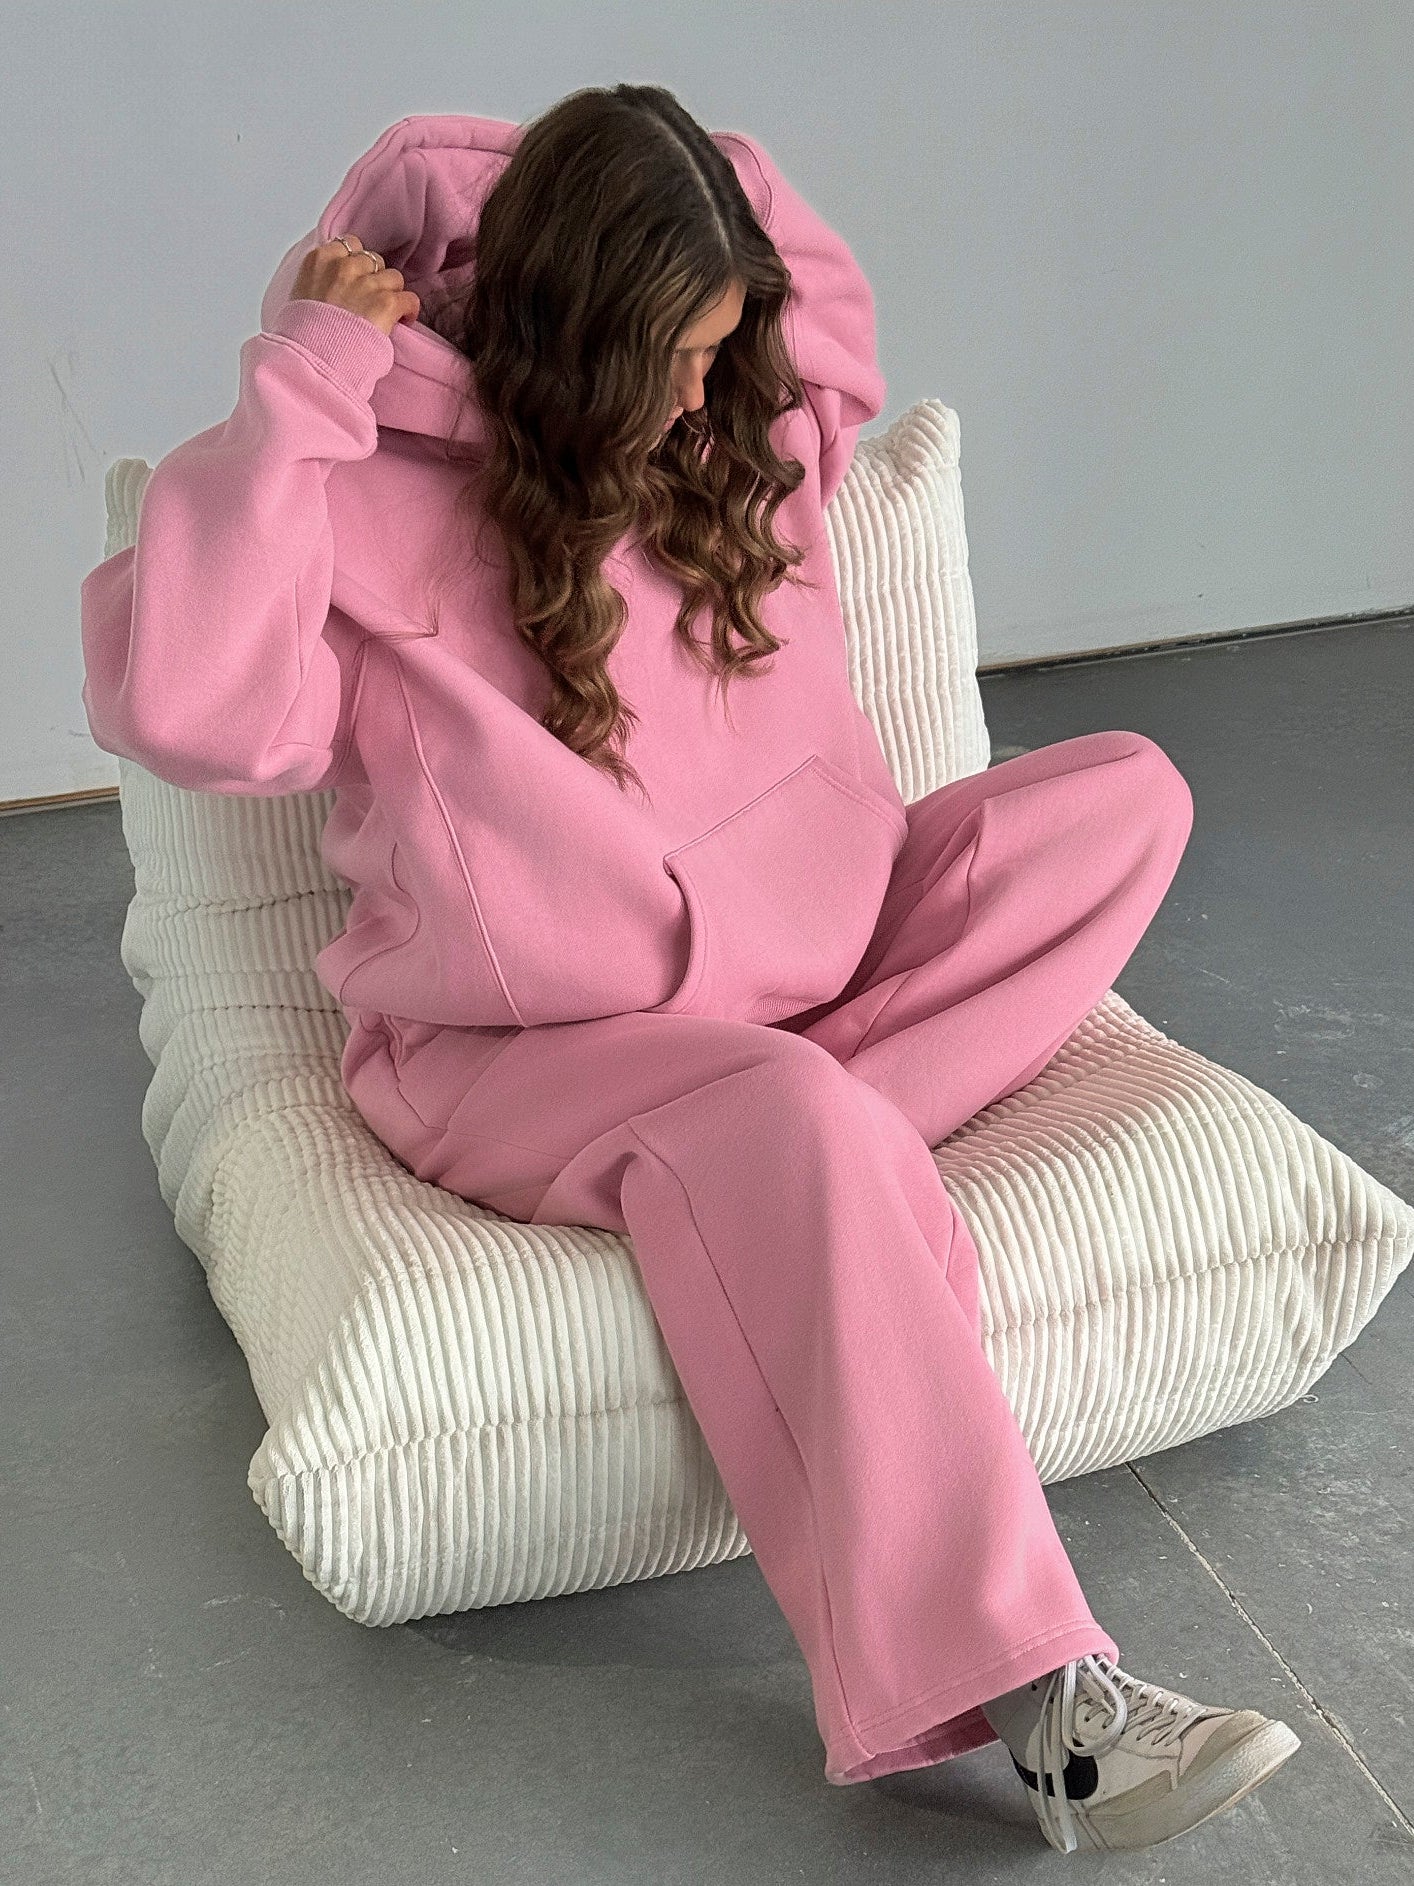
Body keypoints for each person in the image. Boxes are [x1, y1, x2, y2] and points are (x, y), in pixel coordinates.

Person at [79, 84, 1300, 1855]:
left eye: (714, 345)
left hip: (808, 996)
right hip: (520, 1056)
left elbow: (815, 287)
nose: (685, 392)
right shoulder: (351, 486)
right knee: (789, 1111)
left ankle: (793, 1175)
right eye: (661, 349)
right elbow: (187, 707)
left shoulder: (742, 437)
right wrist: (309, 373)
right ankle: (1049, 1705)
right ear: (567, 324)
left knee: (1121, 798)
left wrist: (638, 178)